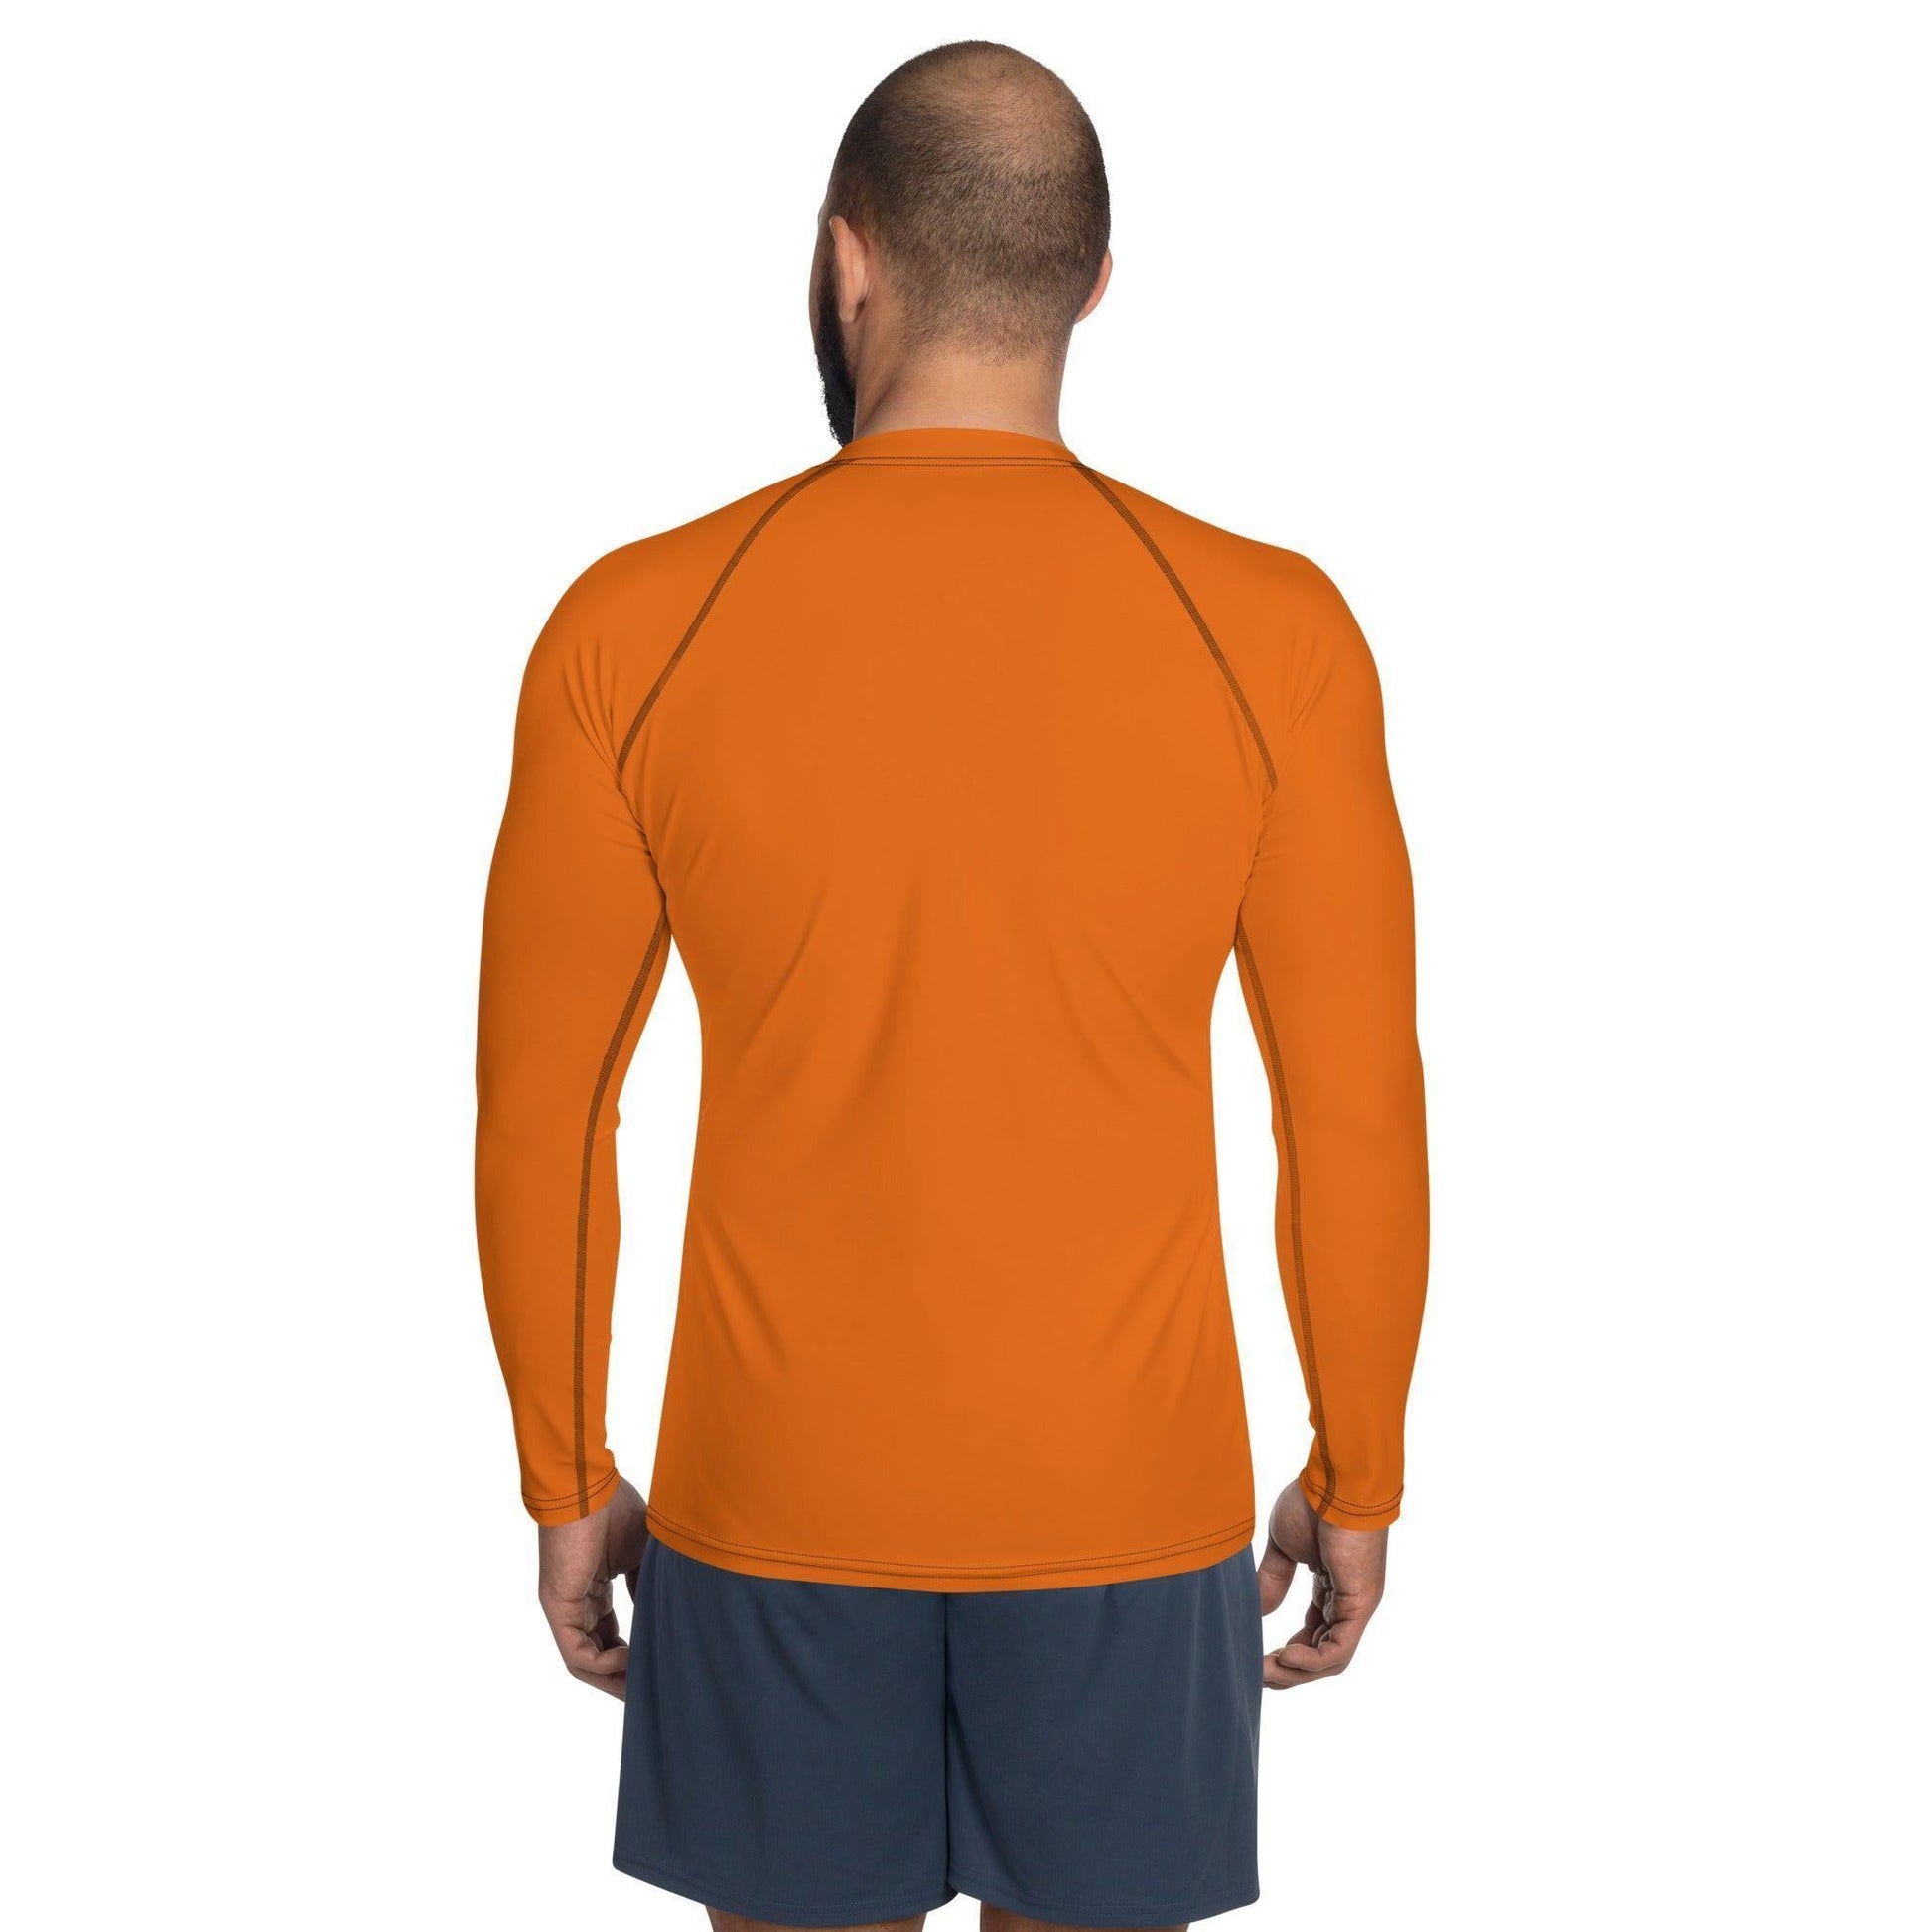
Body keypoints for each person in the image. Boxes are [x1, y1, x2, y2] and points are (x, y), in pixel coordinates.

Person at [476, 39, 1427, 1932]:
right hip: (1127, 1514)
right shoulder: (1274, 632)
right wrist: (1358, 1466)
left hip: (770, 1513)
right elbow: (1347, 1104)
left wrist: (564, 1473)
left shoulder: (632, 624)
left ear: (848, 261)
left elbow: (544, 1108)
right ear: (1091, 280)